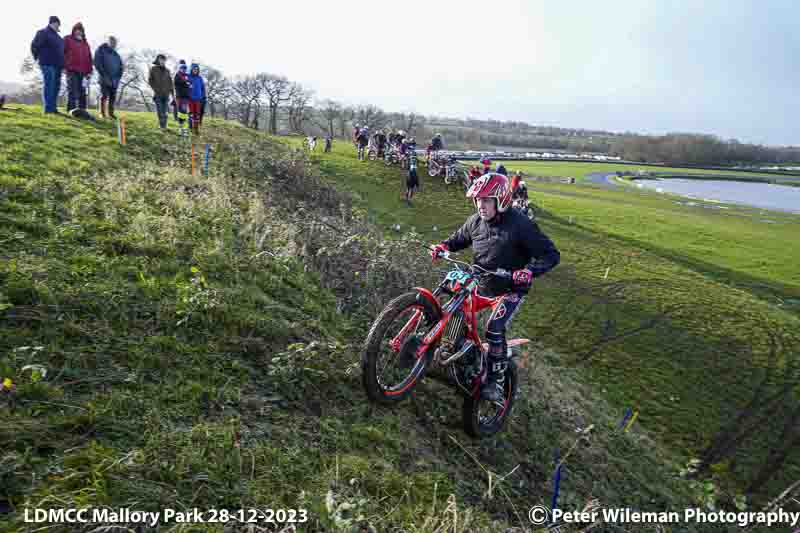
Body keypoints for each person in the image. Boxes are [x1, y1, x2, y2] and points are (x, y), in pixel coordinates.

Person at [430, 173, 560, 403]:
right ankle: (452, 353)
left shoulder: (521, 224)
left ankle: (496, 381)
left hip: (510, 289)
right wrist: (442, 246)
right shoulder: (475, 222)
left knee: (494, 326)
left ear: (500, 199)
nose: (480, 205)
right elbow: (457, 240)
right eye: (478, 200)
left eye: (486, 200)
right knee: (451, 305)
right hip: (480, 284)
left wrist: (529, 271)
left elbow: (551, 255)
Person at [30, 16, 64, 114]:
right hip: (47, 63)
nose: (58, 26)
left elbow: (61, 52)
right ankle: (48, 109)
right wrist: (37, 58)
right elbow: (34, 46)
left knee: (56, 87)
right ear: (53, 23)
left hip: (58, 65)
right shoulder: (43, 33)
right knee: (49, 84)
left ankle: (53, 108)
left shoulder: (58, 37)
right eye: (57, 23)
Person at [63, 22, 92, 115]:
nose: (79, 32)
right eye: (77, 30)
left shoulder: (86, 44)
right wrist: (64, 66)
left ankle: (82, 111)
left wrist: (89, 72)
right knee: (72, 90)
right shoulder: (67, 39)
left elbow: (89, 59)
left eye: (81, 31)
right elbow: (62, 52)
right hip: (71, 70)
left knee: (82, 92)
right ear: (74, 31)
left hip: (83, 72)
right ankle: (70, 110)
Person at [94, 36, 123, 119]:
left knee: (112, 97)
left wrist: (118, 78)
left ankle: (111, 113)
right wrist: (104, 75)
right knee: (104, 95)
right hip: (104, 78)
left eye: (115, 43)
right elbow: (97, 63)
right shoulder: (101, 50)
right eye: (112, 42)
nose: (114, 44)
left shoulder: (116, 55)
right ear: (108, 42)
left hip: (114, 80)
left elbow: (121, 67)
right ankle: (102, 113)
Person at [148, 54, 174, 129]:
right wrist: (156, 89)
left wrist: (172, 95)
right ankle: (161, 125)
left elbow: (170, 83)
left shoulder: (167, 71)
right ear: (158, 60)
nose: (162, 61)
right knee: (160, 111)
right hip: (158, 94)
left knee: (165, 112)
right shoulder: (153, 69)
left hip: (166, 95)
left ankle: (164, 126)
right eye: (161, 59)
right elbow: (150, 80)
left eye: (164, 60)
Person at [173, 60, 192, 135]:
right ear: (179, 69)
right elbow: (177, 83)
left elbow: (190, 83)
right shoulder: (177, 75)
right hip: (180, 96)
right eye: (182, 68)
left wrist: (188, 83)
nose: (183, 70)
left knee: (184, 112)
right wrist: (186, 83)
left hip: (186, 96)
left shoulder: (187, 76)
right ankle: (181, 128)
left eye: (185, 69)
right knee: (182, 111)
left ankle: (183, 128)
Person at [187, 63, 206, 135]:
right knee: (191, 114)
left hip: (198, 99)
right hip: (190, 99)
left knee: (197, 115)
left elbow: (203, 88)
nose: (195, 70)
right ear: (191, 69)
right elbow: (185, 86)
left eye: (197, 69)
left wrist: (203, 96)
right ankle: (190, 127)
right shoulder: (188, 77)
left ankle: (196, 129)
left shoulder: (200, 78)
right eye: (194, 69)